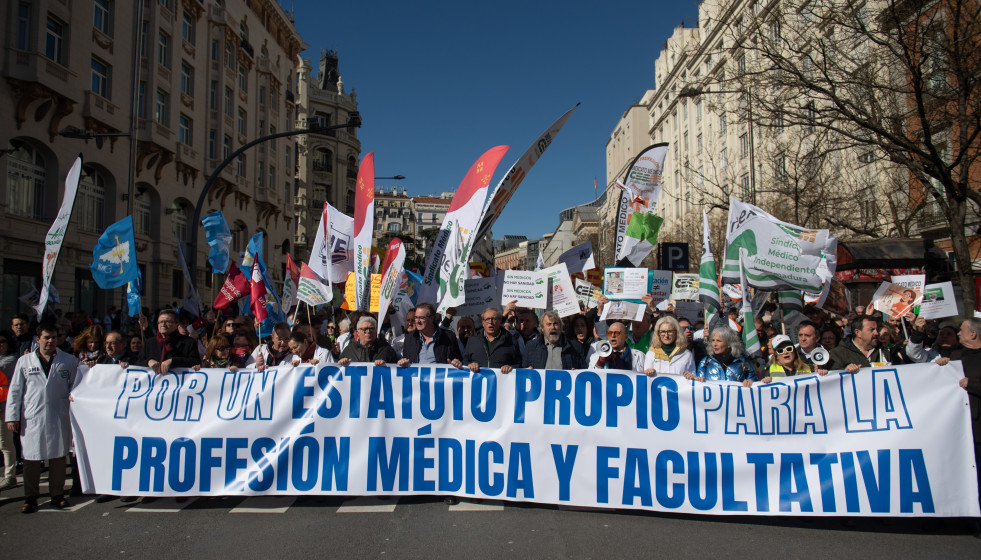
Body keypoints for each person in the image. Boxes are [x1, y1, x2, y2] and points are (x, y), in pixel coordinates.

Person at [5, 323, 80, 513]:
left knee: (57, 457)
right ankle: (31, 497)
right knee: (31, 458)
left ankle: (57, 494)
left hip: (58, 415)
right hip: (33, 416)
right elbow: (15, 391)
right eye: (46, 337)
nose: (50, 341)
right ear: (37, 340)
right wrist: (12, 417)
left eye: (54, 337)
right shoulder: (24, 362)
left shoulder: (68, 360)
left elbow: (77, 386)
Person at [954, 318, 981, 515]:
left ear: (973, 334)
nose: (958, 334)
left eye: (961, 330)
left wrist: (970, 384)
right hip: (958, 426)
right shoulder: (955, 356)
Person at [135, 309, 202, 374]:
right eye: (160, 322)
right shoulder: (149, 342)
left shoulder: (188, 342)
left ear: (176, 324)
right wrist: (148, 362)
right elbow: (137, 363)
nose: (163, 324)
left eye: (168, 322)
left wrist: (173, 361)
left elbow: (195, 362)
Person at [398, 303, 463, 368]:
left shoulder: (448, 337)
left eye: (421, 318)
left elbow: (458, 360)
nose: (418, 321)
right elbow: (405, 362)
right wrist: (402, 362)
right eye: (416, 317)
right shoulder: (410, 339)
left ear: (431, 318)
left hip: (439, 377)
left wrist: (456, 362)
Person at [690, 326, 757, 385]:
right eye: (713, 340)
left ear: (729, 344)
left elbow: (754, 383)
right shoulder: (705, 362)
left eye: (718, 341)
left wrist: (749, 382)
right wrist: (696, 379)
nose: (714, 344)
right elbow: (699, 385)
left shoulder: (744, 362)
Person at [463, 308, 521, 374]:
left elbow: (518, 364)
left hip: (501, 382)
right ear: (482, 323)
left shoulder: (510, 340)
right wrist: (470, 365)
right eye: (487, 319)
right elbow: (465, 361)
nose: (490, 322)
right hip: (478, 382)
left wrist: (510, 367)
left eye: (494, 319)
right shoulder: (473, 341)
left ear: (500, 321)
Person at [757, 334, 827, 383]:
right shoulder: (768, 372)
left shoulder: (809, 368)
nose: (785, 352)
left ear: (794, 351)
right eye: (780, 350)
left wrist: (822, 375)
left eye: (789, 349)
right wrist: (764, 382)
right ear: (776, 356)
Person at [0, 330, 19, 490]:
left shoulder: (11, 361)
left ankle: (10, 476)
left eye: (2, 341)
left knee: (5, 443)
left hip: (3, 408)